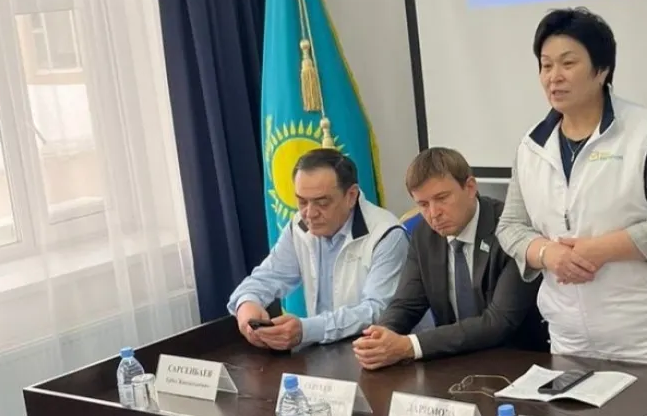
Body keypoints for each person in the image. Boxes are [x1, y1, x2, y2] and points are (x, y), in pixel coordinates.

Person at [495, 7, 647, 367]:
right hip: (570, 340)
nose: (554, 77)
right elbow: (510, 226)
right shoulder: (532, 145)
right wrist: (549, 254)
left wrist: (599, 250)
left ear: (602, 70)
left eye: (568, 63)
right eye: (546, 66)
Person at [353, 148, 546, 370]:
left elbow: (498, 322)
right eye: (423, 204)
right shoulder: (423, 235)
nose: (434, 213)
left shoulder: (511, 229)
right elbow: (407, 303)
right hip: (456, 363)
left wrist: (409, 345)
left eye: (442, 198)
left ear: (470, 187)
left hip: (519, 363)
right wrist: (381, 336)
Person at [227, 148, 408, 352]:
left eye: (322, 202)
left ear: (351, 196)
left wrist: (307, 329)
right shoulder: (300, 226)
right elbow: (266, 278)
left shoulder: (386, 235)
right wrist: (246, 304)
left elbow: (377, 311)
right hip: (326, 352)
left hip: (379, 353)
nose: (310, 214)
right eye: (302, 201)